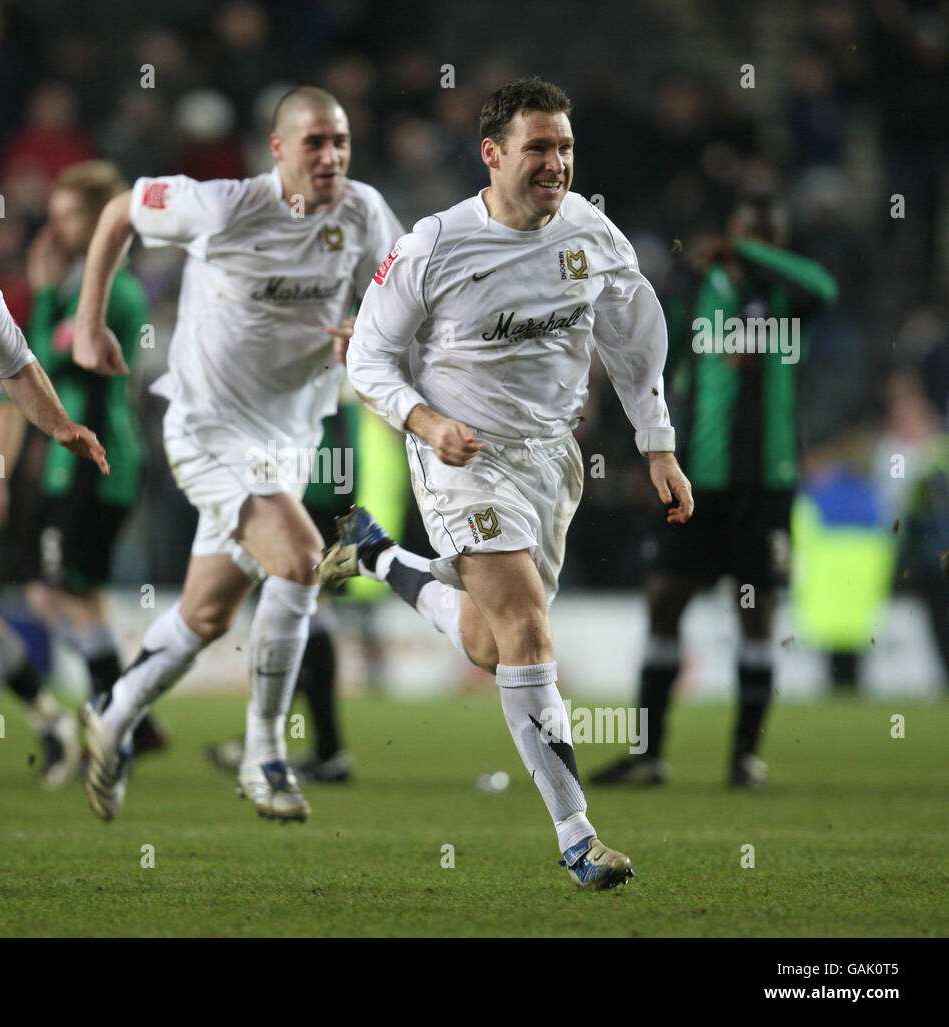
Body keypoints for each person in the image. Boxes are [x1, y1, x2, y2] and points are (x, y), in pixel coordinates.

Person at [330, 76, 693, 889]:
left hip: (550, 459)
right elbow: (368, 357)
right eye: (539, 147)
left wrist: (658, 446)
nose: (556, 162)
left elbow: (636, 348)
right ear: (493, 154)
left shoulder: (594, 238)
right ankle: (577, 834)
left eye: (564, 146)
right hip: (461, 458)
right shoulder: (434, 244)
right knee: (527, 626)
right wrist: (425, 424)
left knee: (497, 645)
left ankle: (380, 558)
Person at [73, 86, 402, 822]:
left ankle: (114, 713)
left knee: (206, 616)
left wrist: (367, 326)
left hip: (290, 440)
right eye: (314, 142)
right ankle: (264, 753)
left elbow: (399, 295)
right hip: (208, 427)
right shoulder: (221, 205)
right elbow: (118, 210)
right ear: (277, 148)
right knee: (302, 556)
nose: (331, 156)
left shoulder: (364, 213)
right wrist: (90, 321)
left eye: (341, 141)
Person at [591, 198, 836, 788]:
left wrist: (748, 249)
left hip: (766, 487)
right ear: (729, 234)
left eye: (772, 239)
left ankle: (744, 757)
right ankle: (649, 755)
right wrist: (640, 455)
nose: (762, 248)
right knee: (664, 603)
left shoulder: (788, 300)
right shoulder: (692, 292)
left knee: (757, 614)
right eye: (753, 235)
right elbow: (646, 369)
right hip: (696, 482)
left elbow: (823, 287)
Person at [22, 159, 166, 775]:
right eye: (51, 216)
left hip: (95, 459)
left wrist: (47, 290)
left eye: (68, 216)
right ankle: (131, 719)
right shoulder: (88, 283)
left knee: (62, 594)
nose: (55, 229)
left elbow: (40, 362)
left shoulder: (111, 291)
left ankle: (121, 721)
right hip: (80, 462)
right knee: (66, 594)